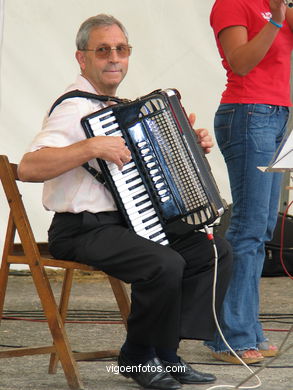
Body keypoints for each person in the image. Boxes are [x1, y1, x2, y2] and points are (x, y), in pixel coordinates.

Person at [18, 14, 232, 389]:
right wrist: (90, 146)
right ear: (82, 58)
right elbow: (29, 167)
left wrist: (187, 147)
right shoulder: (72, 109)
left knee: (211, 252)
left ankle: (165, 353)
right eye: (103, 50)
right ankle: (136, 357)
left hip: (126, 222)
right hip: (81, 229)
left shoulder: (117, 108)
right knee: (163, 263)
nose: (114, 57)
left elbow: (150, 171)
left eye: (121, 49)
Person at [205, 0, 293, 365]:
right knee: (248, 228)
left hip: (278, 117)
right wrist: (275, 19)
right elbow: (241, 63)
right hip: (248, 113)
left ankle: (248, 328)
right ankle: (230, 336)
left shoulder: (276, 5)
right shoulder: (232, 4)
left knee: (264, 226)